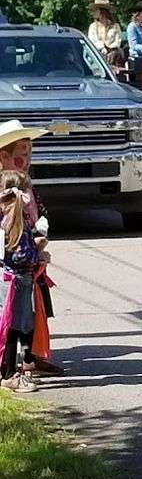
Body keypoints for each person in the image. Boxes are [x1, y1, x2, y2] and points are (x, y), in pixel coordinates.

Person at [0, 119, 60, 376]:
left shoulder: (26, 183)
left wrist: (41, 227)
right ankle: (13, 365)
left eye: (30, 152)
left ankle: (32, 355)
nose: (28, 158)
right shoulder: (5, 188)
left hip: (31, 259)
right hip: (16, 261)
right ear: (4, 156)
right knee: (16, 316)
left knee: (37, 308)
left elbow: (39, 211)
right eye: (21, 154)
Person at [0, 170, 50, 392]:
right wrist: (38, 253)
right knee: (15, 326)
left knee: (20, 324)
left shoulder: (9, 215)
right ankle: (9, 374)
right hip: (17, 280)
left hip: (10, 278)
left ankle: (18, 368)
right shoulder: (15, 219)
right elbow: (19, 254)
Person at [87, 0, 123, 64]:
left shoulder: (115, 26)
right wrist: (102, 48)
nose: (94, 12)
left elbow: (118, 41)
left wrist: (110, 49)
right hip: (96, 57)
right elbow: (91, 41)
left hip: (113, 56)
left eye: (96, 10)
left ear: (103, 11)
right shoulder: (92, 26)